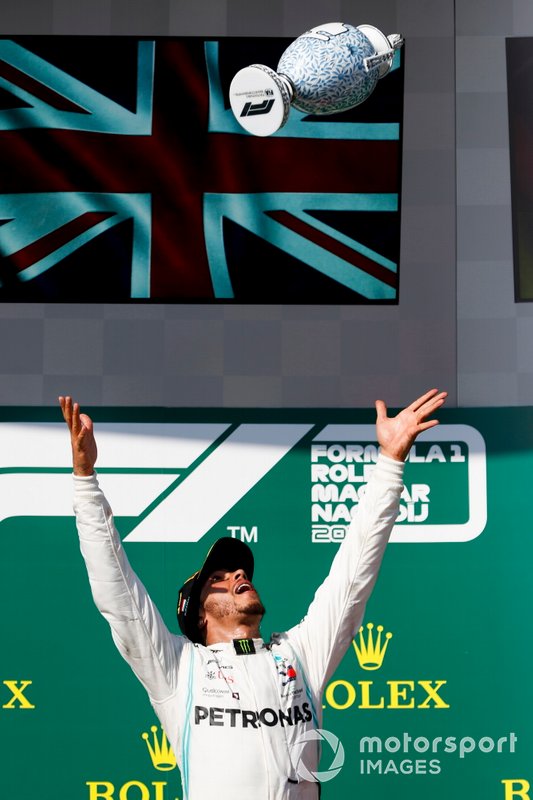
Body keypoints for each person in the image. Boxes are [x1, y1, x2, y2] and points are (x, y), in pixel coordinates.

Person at [59, 388, 447, 800]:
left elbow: (353, 575)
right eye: (218, 579)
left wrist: (389, 464)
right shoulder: (178, 668)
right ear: (199, 617)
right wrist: (85, 480)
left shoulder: (301, 654)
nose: (237, 574)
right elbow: (118, 593)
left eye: (239, 569)